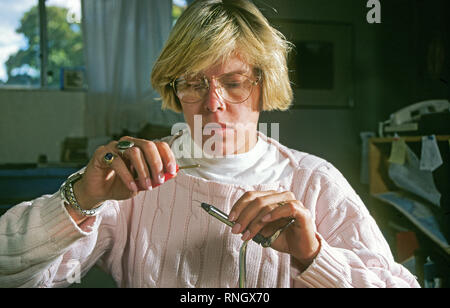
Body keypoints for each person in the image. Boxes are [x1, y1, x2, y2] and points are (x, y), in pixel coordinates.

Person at [0, 0, 419, 288]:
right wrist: (80, 200)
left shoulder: (314, 181)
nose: (213, 105)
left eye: (233, 83)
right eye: (194, 84)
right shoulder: (132, 180)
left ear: (263, 85)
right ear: (174, 88)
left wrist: (314, 256)